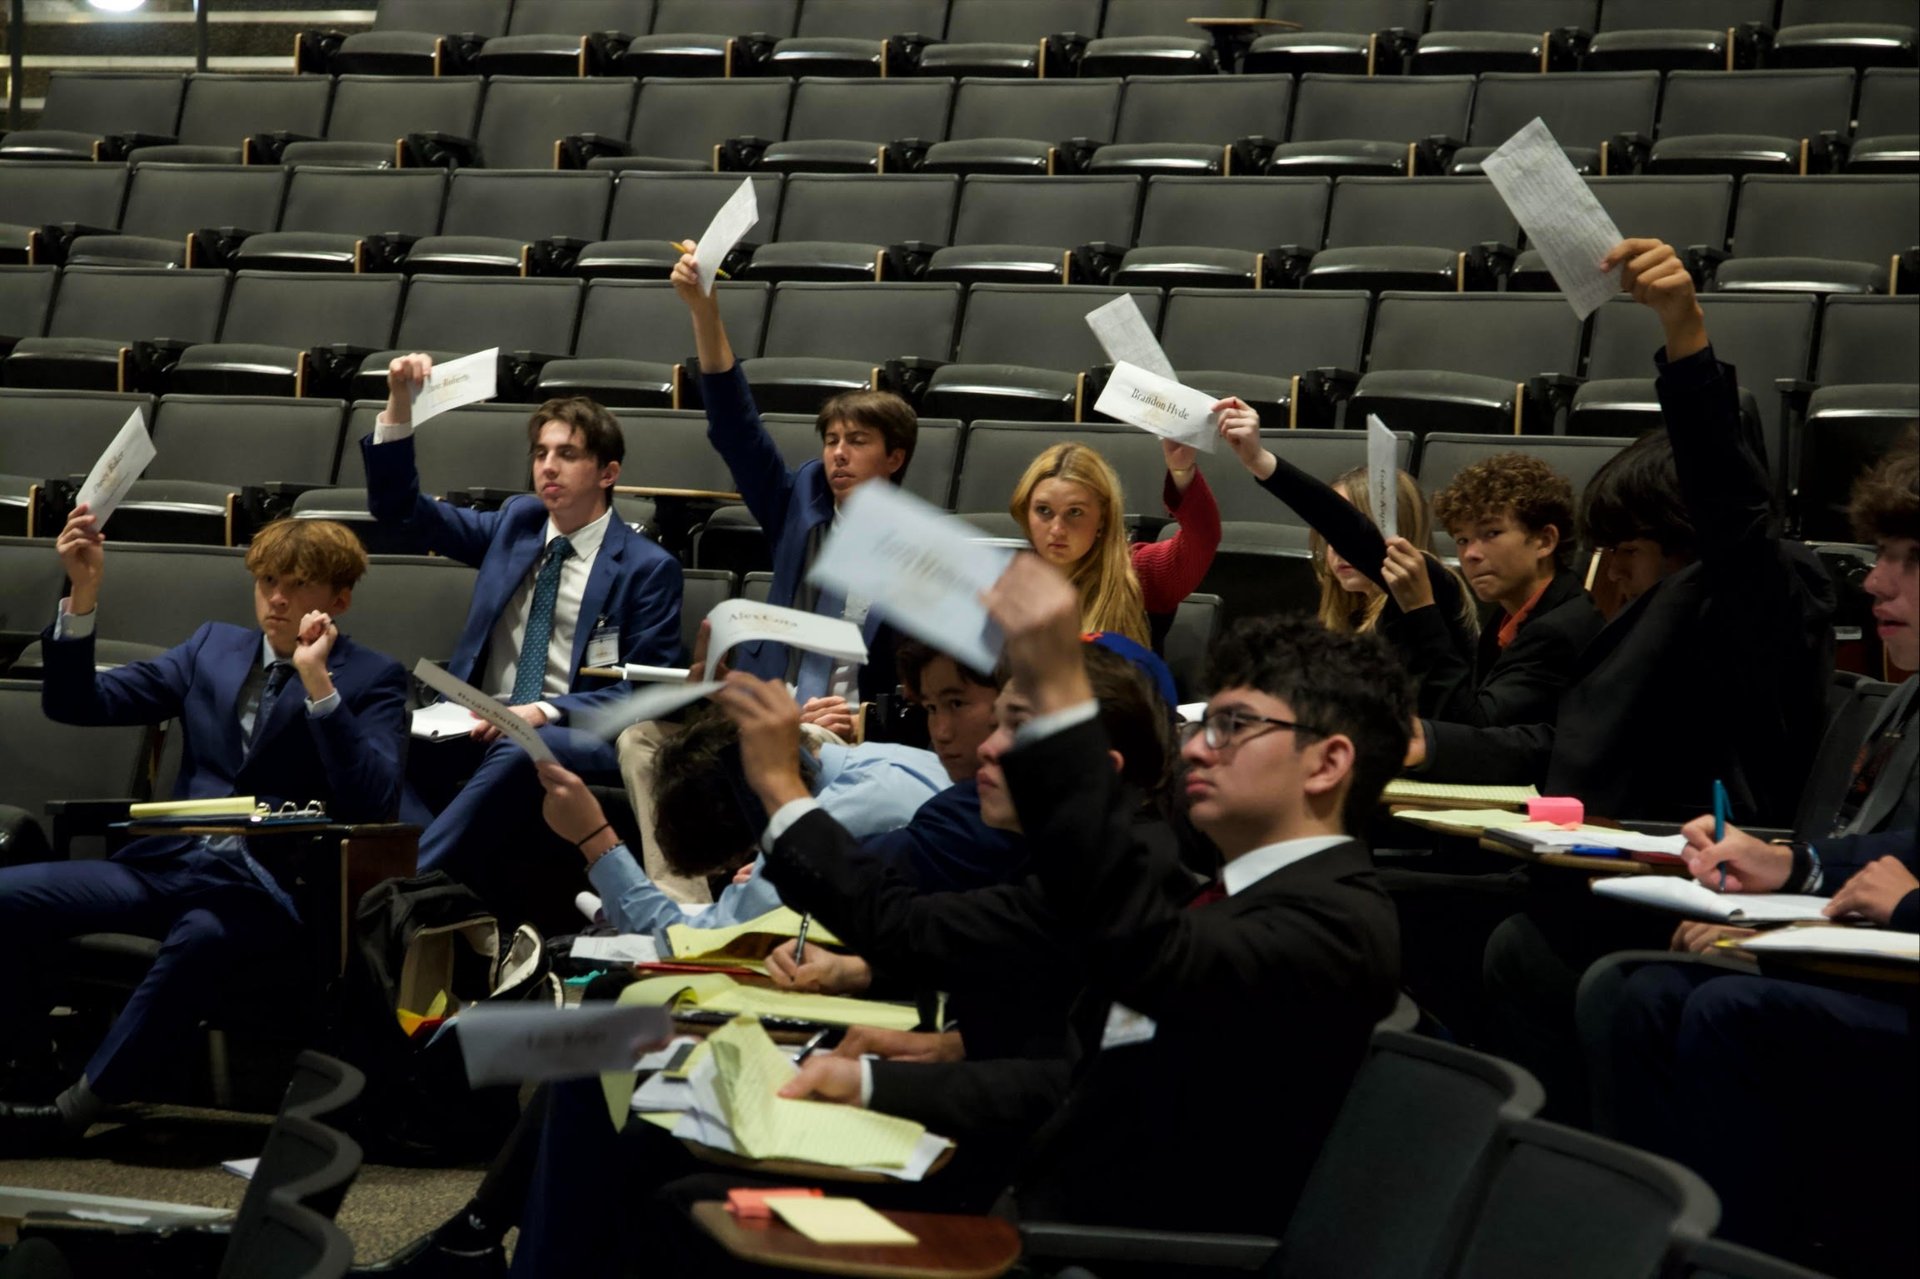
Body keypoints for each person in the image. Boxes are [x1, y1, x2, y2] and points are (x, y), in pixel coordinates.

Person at [764, 562, 1405, 1236]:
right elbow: (1080, 1077)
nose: (1198, 751)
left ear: (1327, 763)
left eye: (1234, 726)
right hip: (1044, 1209)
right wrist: (877, 1080)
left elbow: (1142, 951)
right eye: (1204, 725)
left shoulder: (1336, 922)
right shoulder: (1246, 892)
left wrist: (1064, 700)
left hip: (1094, 1248)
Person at [0, 513, 406, 1148]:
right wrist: (82, 594)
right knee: (11, 894)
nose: (277, 599)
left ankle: (73, 1111)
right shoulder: (211, 649)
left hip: (265, 890)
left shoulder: (372, 678)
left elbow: (374, 801)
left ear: (340, 599)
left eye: (297, 585)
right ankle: (26, 1068)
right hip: (171, 867)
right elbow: (75, 703)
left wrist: (317, 682)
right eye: (268, 581)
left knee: (202, 936)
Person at [1408, 239, 1835, 825]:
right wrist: (1428, 741)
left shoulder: (1751, 595)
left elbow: (1728, 502)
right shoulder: (1640, 632)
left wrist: (1683, 328)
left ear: (1689, 543)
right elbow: (1571, 747)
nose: (1612, 571)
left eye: (1629, 550)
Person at [361, 357, 684, 923]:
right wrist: (399, 408)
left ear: (607, 472)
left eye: (567, 454)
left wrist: (543, 711)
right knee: (382, 732)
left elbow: (643, 694)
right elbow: (399, 513)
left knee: (519, 745)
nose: (548, 467)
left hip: (571, 730)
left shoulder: (646, 568)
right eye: (540, 453)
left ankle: (395, 888)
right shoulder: (515, 526)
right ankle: (433, 901)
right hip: (471, 715)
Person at [672, 250, 916, 719]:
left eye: (857, 441)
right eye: (831, 440)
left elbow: (920, 685)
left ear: (895, 458)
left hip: (847, 724)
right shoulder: (799, 505)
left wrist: (863, 721)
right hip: (769, 710)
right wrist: (705, 311)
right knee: (639, 741)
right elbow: (737, 431)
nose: (838, 453)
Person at [538, 709, 947, 936]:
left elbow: (687, 939)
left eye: (748, 850)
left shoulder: (823, 822)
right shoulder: (886, 756)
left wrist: (594, 837)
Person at [1213, 397, 1478, 712]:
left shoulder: (1431, 581)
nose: (1338, 547)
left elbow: (1350, 531)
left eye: (1344, 535)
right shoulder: (1347, 615)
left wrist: (1259, 460)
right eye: (1329, 537)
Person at [1420, 452, 1605, 726]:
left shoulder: (1563, 629)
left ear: (1545, 541)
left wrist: (1420, 608)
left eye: (1491, 533)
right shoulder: (1506, 615)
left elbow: (1478, 728)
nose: (1470, 554)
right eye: (1462, 539)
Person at [1009, 438, 1220, 648]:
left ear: (1102, 517)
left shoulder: (1138, 574)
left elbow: (1203, 536)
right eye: (1044, 510)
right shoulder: (1006, 581)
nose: (1057, 529)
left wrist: (1182, 472)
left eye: (1075, 512)